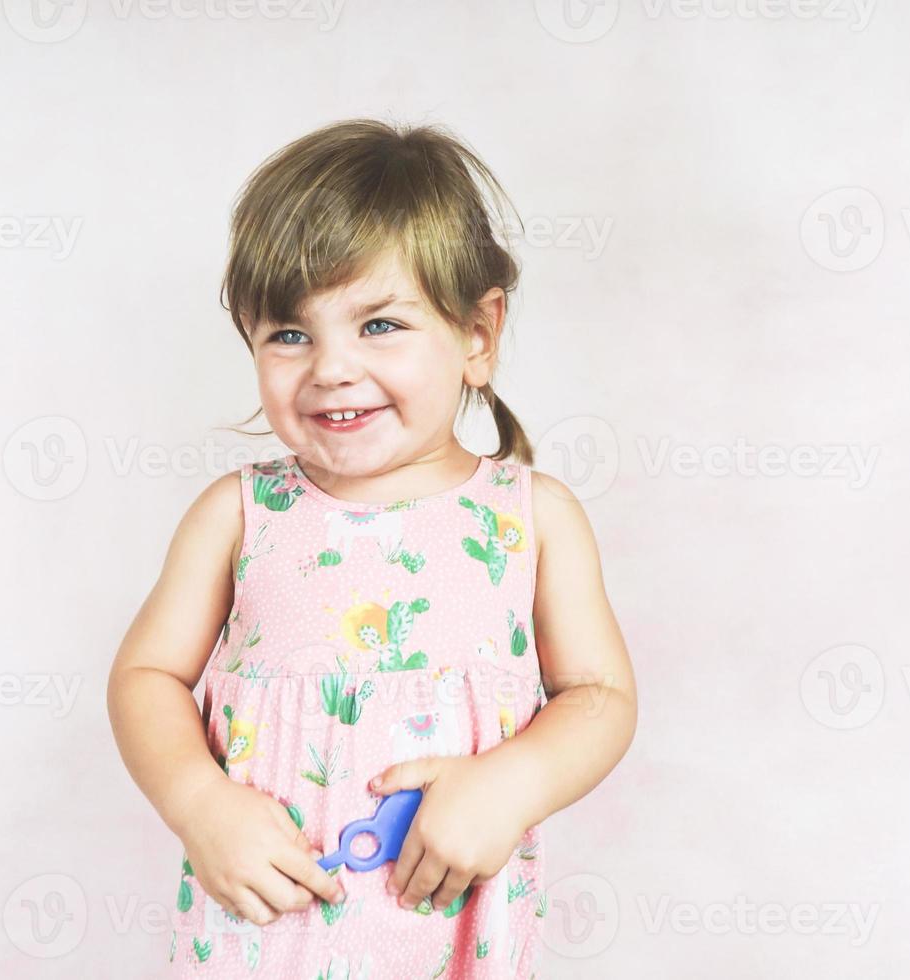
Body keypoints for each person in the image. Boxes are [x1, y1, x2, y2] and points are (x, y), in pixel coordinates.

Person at [107, 117, 638, 978]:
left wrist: (512, 783)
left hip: (450, 935)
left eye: (379, 325)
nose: (330, 368)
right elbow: (146, 676)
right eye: (289, 333)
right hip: (259, 934)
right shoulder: (240, 513)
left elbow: (602, 695)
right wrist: (197, 801)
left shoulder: (530, 518)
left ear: (477, 334)